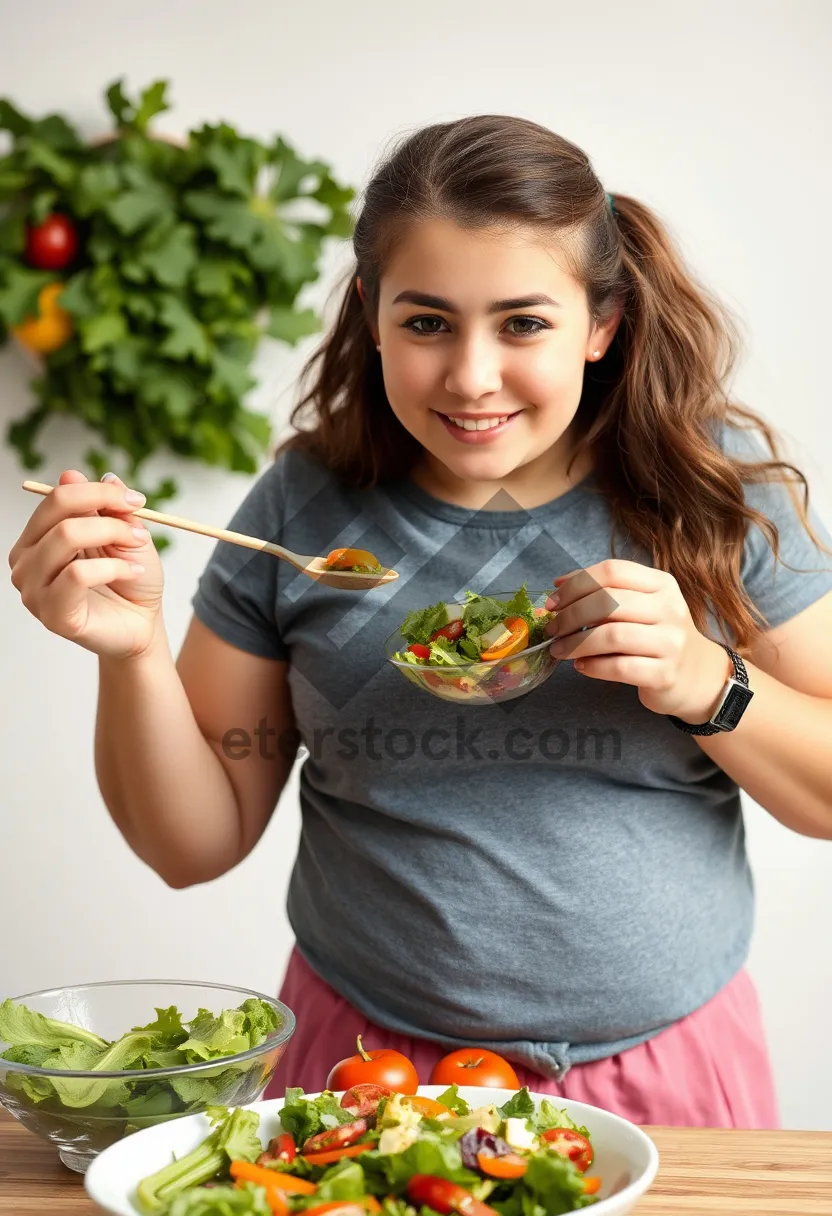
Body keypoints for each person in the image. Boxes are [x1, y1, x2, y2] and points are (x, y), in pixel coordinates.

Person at [8, 115, 832, 1130]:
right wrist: (129, 650)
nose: (471, 376)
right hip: (364, 1071)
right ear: (371, 310)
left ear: (601, 321)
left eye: (523, 323)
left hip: (661, 1078)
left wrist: (711, 682)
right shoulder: (304, 504)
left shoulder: (709, 488)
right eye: (427, 322)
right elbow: (193, 843)